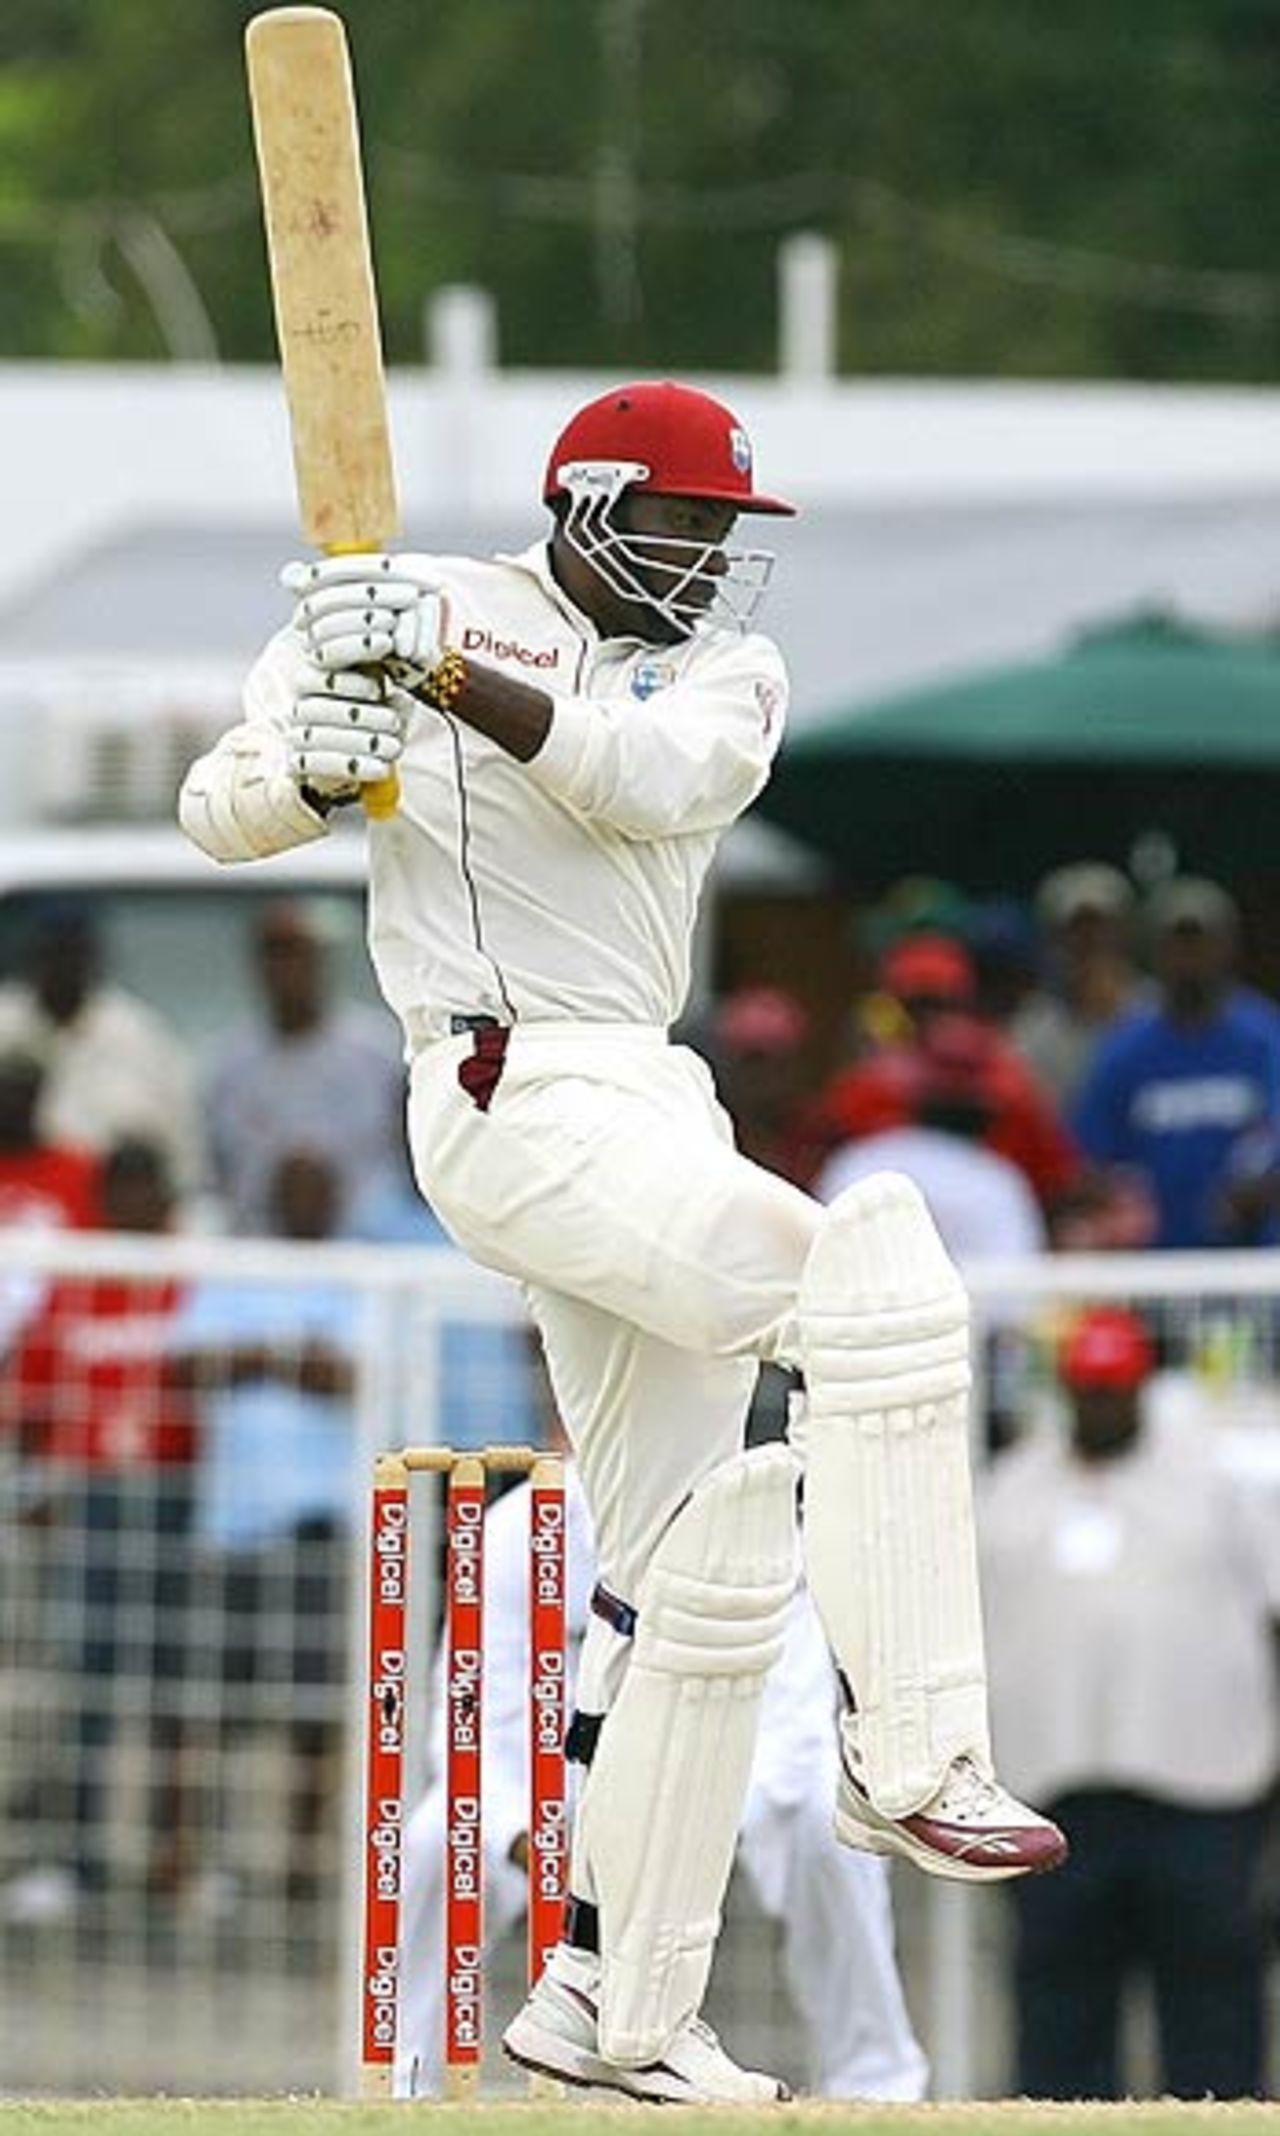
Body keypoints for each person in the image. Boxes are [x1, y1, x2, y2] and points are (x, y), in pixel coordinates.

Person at [178, 376, 1064, 2104]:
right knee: (868, 1278)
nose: (708, 557)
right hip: (506, 1085)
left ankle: (613, 1999)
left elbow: (643, 781)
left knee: (697, 1557)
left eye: (726, 530)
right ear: (583, 503)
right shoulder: (411, 600)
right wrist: (312, 764)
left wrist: (446, 684)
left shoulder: (722, 674)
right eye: (680, 522)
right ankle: (916, 1746)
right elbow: (220, 807)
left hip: (653, 1096)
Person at [397, 1445, 927, 2102]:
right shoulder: (514, 1533)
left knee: (829, 1822)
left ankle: (876, 2085)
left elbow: (790, 1738)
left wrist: (675, 1853)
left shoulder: (754, 1531)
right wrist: (526, 1839)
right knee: (437, 1836)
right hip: (561, 1788)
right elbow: (471, 1724)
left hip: (713, 1786)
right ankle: (405, 2081)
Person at [980, 1305, 1280, 2100]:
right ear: (1068, 1391)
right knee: (1059, 2023)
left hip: (1201, 1794)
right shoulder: (1015, 1489)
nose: (1102, 1405)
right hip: (1055, 1801)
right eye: (1089, 1389)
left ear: (1142, 1387)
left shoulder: (1217, 1481)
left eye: (1115, 1389)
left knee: (1212, 2016)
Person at [0, 1139, 197, 1922]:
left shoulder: (192, 1281)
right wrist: (34, 1485)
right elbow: (28, 1401)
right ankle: (75, 1860)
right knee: (85, 1686)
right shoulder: (75, 1287)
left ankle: (170, 1862)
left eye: (147, 1189)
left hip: (175, 1503)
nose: (134, 1206)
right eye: (121, 1192)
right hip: (90, 1505)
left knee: (174, 1692)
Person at [170, 1148, 359, 1918]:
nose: (304, 1199)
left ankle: (298, 1875)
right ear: (272, 1194)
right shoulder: (236, 1265)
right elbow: (190, 1365)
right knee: (206, 1704)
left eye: (318, 1186)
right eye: (292, 1186)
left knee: (317, 1713)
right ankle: (193, 1866)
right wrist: (293, 1359)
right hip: (232, 1525)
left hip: (321, 1524)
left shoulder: (359, 1272)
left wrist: (258, 1359)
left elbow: (354, 1376)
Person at [1072, 877, 1280, 1249]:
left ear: (1228, 946)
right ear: (1155, 951)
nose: (1189, 957)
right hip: (1155, 1268)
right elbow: (1090, 1159)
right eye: (1177, 943)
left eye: (1200, 942)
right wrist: (1120, 1199)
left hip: (1254, 1265)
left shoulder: (1264, 1038)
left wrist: (1258, 1189)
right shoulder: (1124, 1050)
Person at [203, 899, 404, 1235]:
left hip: (369, 1251)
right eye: (274, 955)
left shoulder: (378, 1051)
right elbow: (218, 1176)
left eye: (295, 953)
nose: (285, 969)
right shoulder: (231, 1067)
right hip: (262, 1254)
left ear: (319, 961)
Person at [0, 895, 203, 1198]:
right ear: (33, 957)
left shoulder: (141, 1038)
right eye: (53, 952)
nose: (63, 965)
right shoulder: (6, 1023)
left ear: (93, 958)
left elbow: (183, 1165)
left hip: (111, 1230)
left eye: (73, 952)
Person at [1011, 863, 1149, 1108]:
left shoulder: (1160, 1012)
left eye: (1101, 927)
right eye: (1076, 930)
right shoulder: (1029, 1031)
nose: (1090, 941)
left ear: (1126, 932)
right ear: (1053, 938)